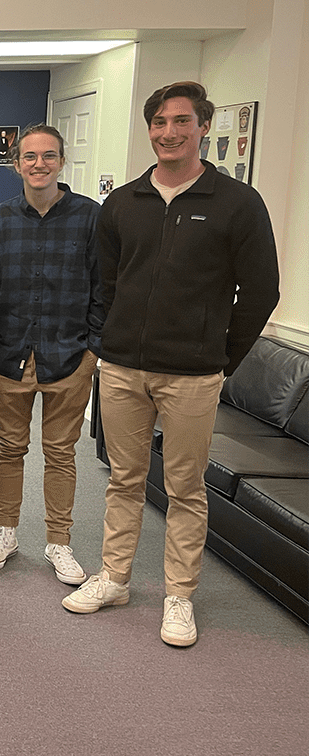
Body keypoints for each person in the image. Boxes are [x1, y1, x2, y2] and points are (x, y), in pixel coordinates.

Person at [63, 81, 280, 646]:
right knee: (123, 479)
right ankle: (113, 578)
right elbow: (106, 284)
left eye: (181, 121)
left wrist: (220, 356)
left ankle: (179, 596)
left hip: (194, 373)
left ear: (203, 126)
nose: (169, 132)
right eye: (159, 122)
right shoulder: (123, 204)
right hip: (124, 369)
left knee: (185, 488)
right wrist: (109, 340)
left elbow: (261, 292)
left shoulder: (237, 203)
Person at [0, 124, 103, 585]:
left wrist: (93, 351)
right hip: (9, 354)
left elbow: (105, 288)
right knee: (8, 448)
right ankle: (6, 532)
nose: (39, 164)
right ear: (17, 165)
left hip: (69, 355)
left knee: (60, 452)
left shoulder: (91, 217)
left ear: (62, 162)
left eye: (49, 156)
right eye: (29, 157)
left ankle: (59, 542)